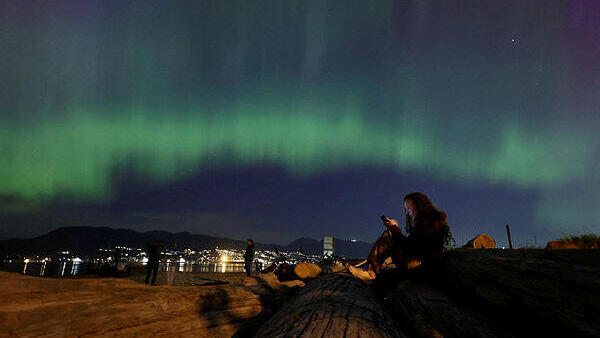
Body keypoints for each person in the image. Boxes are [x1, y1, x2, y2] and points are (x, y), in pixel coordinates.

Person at [349, 192, 452, 283]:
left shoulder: (431, 222)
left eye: (408, 208)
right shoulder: (430, 221)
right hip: (420, 262)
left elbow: (412, 248)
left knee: (388, 235)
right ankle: (370, 270)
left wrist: (394, 229)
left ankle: (370, 271)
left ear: (418, 205)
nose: (407, 212)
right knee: (389, 234)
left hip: (421, 265)